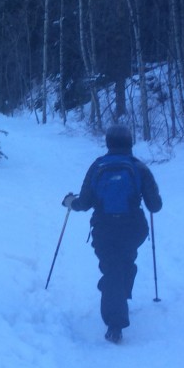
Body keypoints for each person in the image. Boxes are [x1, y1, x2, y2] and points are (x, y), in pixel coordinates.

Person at [62, 124, 162, 344]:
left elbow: (85, 202)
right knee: (123, 265)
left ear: (108, 143)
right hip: (133, 228)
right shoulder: (139, 167)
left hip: (104, 228)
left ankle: (114, 316)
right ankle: (116, 307)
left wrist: (70, 202)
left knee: (113, 269)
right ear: (130, 143)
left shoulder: (97, 166)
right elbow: (155, 205)